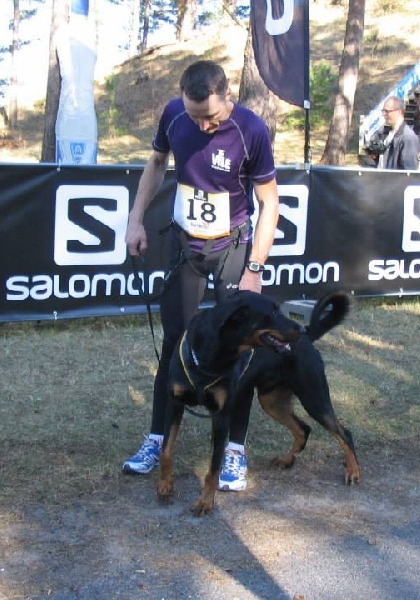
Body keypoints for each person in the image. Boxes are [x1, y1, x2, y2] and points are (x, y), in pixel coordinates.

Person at [122, 60, 280, 492]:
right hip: (185, 247)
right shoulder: (174, 115)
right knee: (174, 343)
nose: (203, 125)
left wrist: (255, 269)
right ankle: (157, 438)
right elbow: (156, 163)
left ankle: (234, 449)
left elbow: (270, 203)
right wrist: (135, 220)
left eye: (210, 117)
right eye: (195, 117)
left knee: (236, 350)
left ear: (228, 97)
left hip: (231, 248)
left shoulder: (251, 130)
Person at [378, 96, 419, 170]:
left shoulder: (408, 138)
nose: (384, 115)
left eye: (387, 111)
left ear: (399, 112)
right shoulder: (389, 134)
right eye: (383, 111)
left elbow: (409, 173)